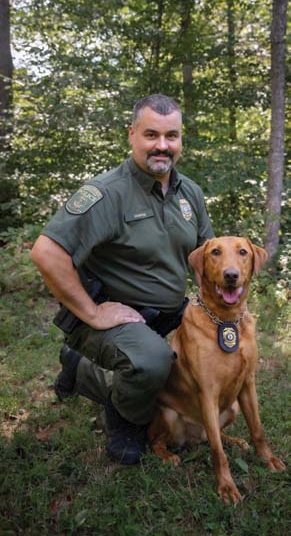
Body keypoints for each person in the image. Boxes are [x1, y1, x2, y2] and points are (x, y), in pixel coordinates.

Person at [31, 94, 214, 465]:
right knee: (152, 362)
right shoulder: (107, 193)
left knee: (199, 367)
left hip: (170, 313)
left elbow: (203, 255)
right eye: (151, 134)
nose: (162, 145)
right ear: (131, 135)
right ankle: (122, 418)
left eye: (171, 135)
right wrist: (94, 313)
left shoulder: (189, 192)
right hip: (113, 318)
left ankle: (76, 365)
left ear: (181, 140)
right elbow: (46, 253)